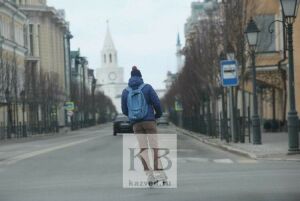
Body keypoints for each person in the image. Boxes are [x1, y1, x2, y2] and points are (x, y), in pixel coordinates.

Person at [121, 66, 167, 185]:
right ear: (140, 77)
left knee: (143, 149)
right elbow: (157, 103)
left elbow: (124, 110)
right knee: (154, 148)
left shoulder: (125, 91)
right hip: (149, 122)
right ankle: (160, 174)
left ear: (130, 77)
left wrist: (134, 117)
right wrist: (157, 115)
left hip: (136, 124)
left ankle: (150, 176)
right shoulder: (147, 88)